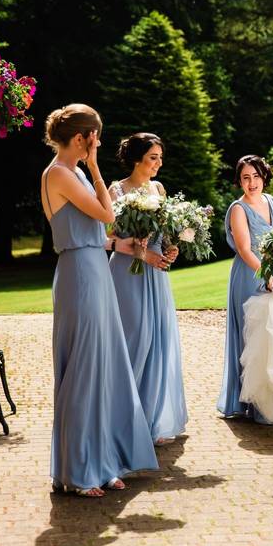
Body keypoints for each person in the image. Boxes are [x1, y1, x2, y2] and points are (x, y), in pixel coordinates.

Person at [39, 104, 157, 497]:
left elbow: (97, 230)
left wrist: (118, 245)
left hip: (94, 269)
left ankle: (104, 461)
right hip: (80, 275)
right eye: (96, 137)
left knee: (104, 368)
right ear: (81, 139)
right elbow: (107, 214)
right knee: (85, 371)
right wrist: (94, 168)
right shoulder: (60, 173)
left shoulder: (67, 173)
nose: (99, 144)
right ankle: (79, 469)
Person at [107, 133, 187, 446]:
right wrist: (142, 253)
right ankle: (123, 420)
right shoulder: (117, 190)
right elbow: (107, 237)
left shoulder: (159, 189)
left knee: (158, 340)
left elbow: (165, 233)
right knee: (135, 340)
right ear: (137, 159)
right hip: (128, 272)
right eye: (153, 157)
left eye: (160, 157)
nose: (158, 163)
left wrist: (170, 248)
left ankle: (152, 420)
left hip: (156, 274)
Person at [216, 155, 273, 423]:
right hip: (249, 274)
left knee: (271, 335)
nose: (252, 182)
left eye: (256, 176)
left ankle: (270, 399)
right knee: (250, 337)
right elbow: (244, 249)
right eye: (246, 177)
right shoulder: (238, 209)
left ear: (264, 176)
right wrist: (265, 274)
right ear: (239, 180)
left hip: (272, 272)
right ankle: (250, 403)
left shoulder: (271, 201)